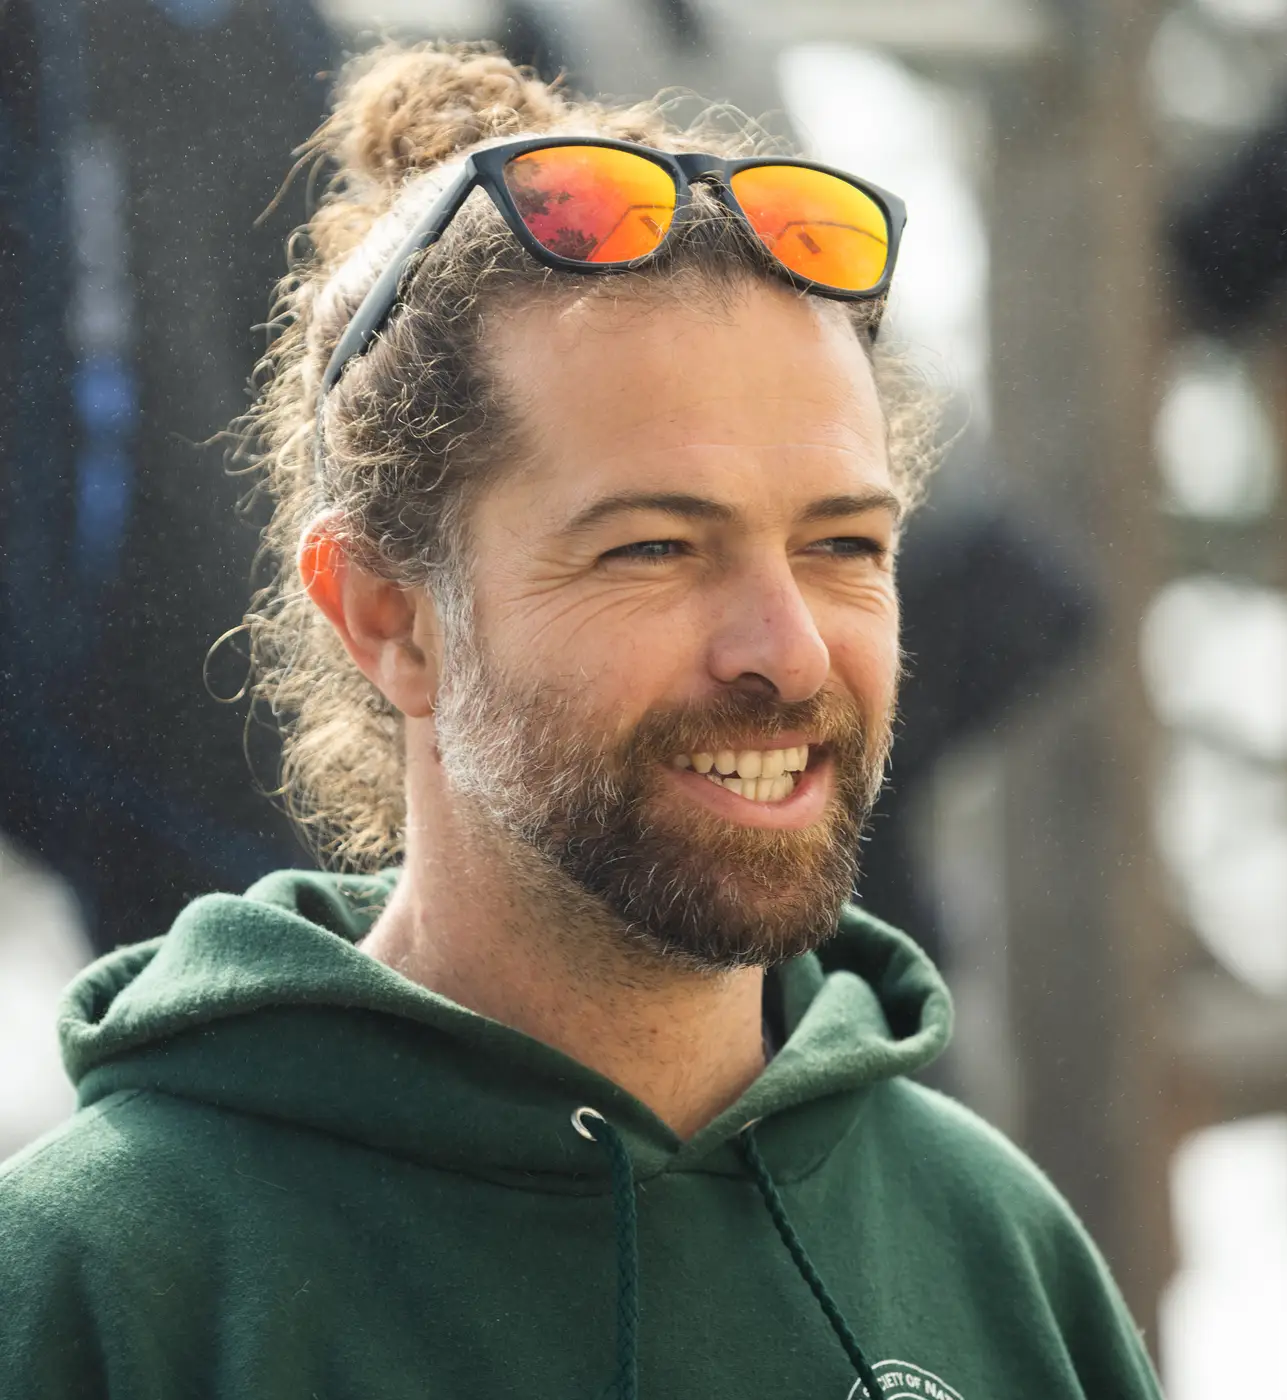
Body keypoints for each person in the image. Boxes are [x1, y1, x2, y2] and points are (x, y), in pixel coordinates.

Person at [0, 43, 1162, 1400]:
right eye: (655, 551)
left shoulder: (994, 1248)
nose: (788, 653)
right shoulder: (106, 1287)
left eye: (844, 546)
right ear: (388, 616)